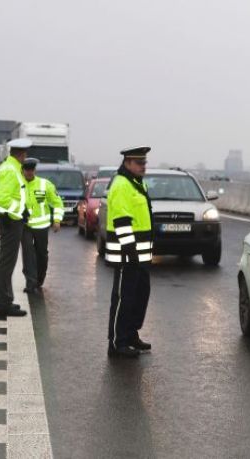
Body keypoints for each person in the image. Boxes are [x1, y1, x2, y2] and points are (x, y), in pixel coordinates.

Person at [107, 146, 154, 358]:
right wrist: (130, 251)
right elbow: (122, 221)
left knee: (140, 295)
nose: (143, 166)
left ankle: (131, 333)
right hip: (128, 255)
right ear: (127, 163)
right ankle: (118, 342)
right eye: (139, 163)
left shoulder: (137, 183)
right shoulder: (121, 185)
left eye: (144, 162)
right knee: (123, 298)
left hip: (141, 254)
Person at [0, 139, 30, 317]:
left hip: (11, 220)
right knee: (6, 263)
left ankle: (5, 300)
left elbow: (14, 195)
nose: (26, 156)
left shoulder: (11, 167)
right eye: (25, 153)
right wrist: (18, 212)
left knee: (8, 263)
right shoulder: (10, 169)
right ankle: (2, 303)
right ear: (20, 153)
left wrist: (24, 210)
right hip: (10, 222)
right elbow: (2, 199)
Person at [21, 158, 64, 294]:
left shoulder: (45, 185)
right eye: (26, 170)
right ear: (23, 170)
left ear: (34, 170)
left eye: (31, 170)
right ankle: (30, 283)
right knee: (28, 254)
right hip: (25, 226)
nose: (29, 173)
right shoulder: (18, 185)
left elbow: (57, 203)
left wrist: (57, 220)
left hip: (41, 226)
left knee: (41, 255)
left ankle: (39, 279)